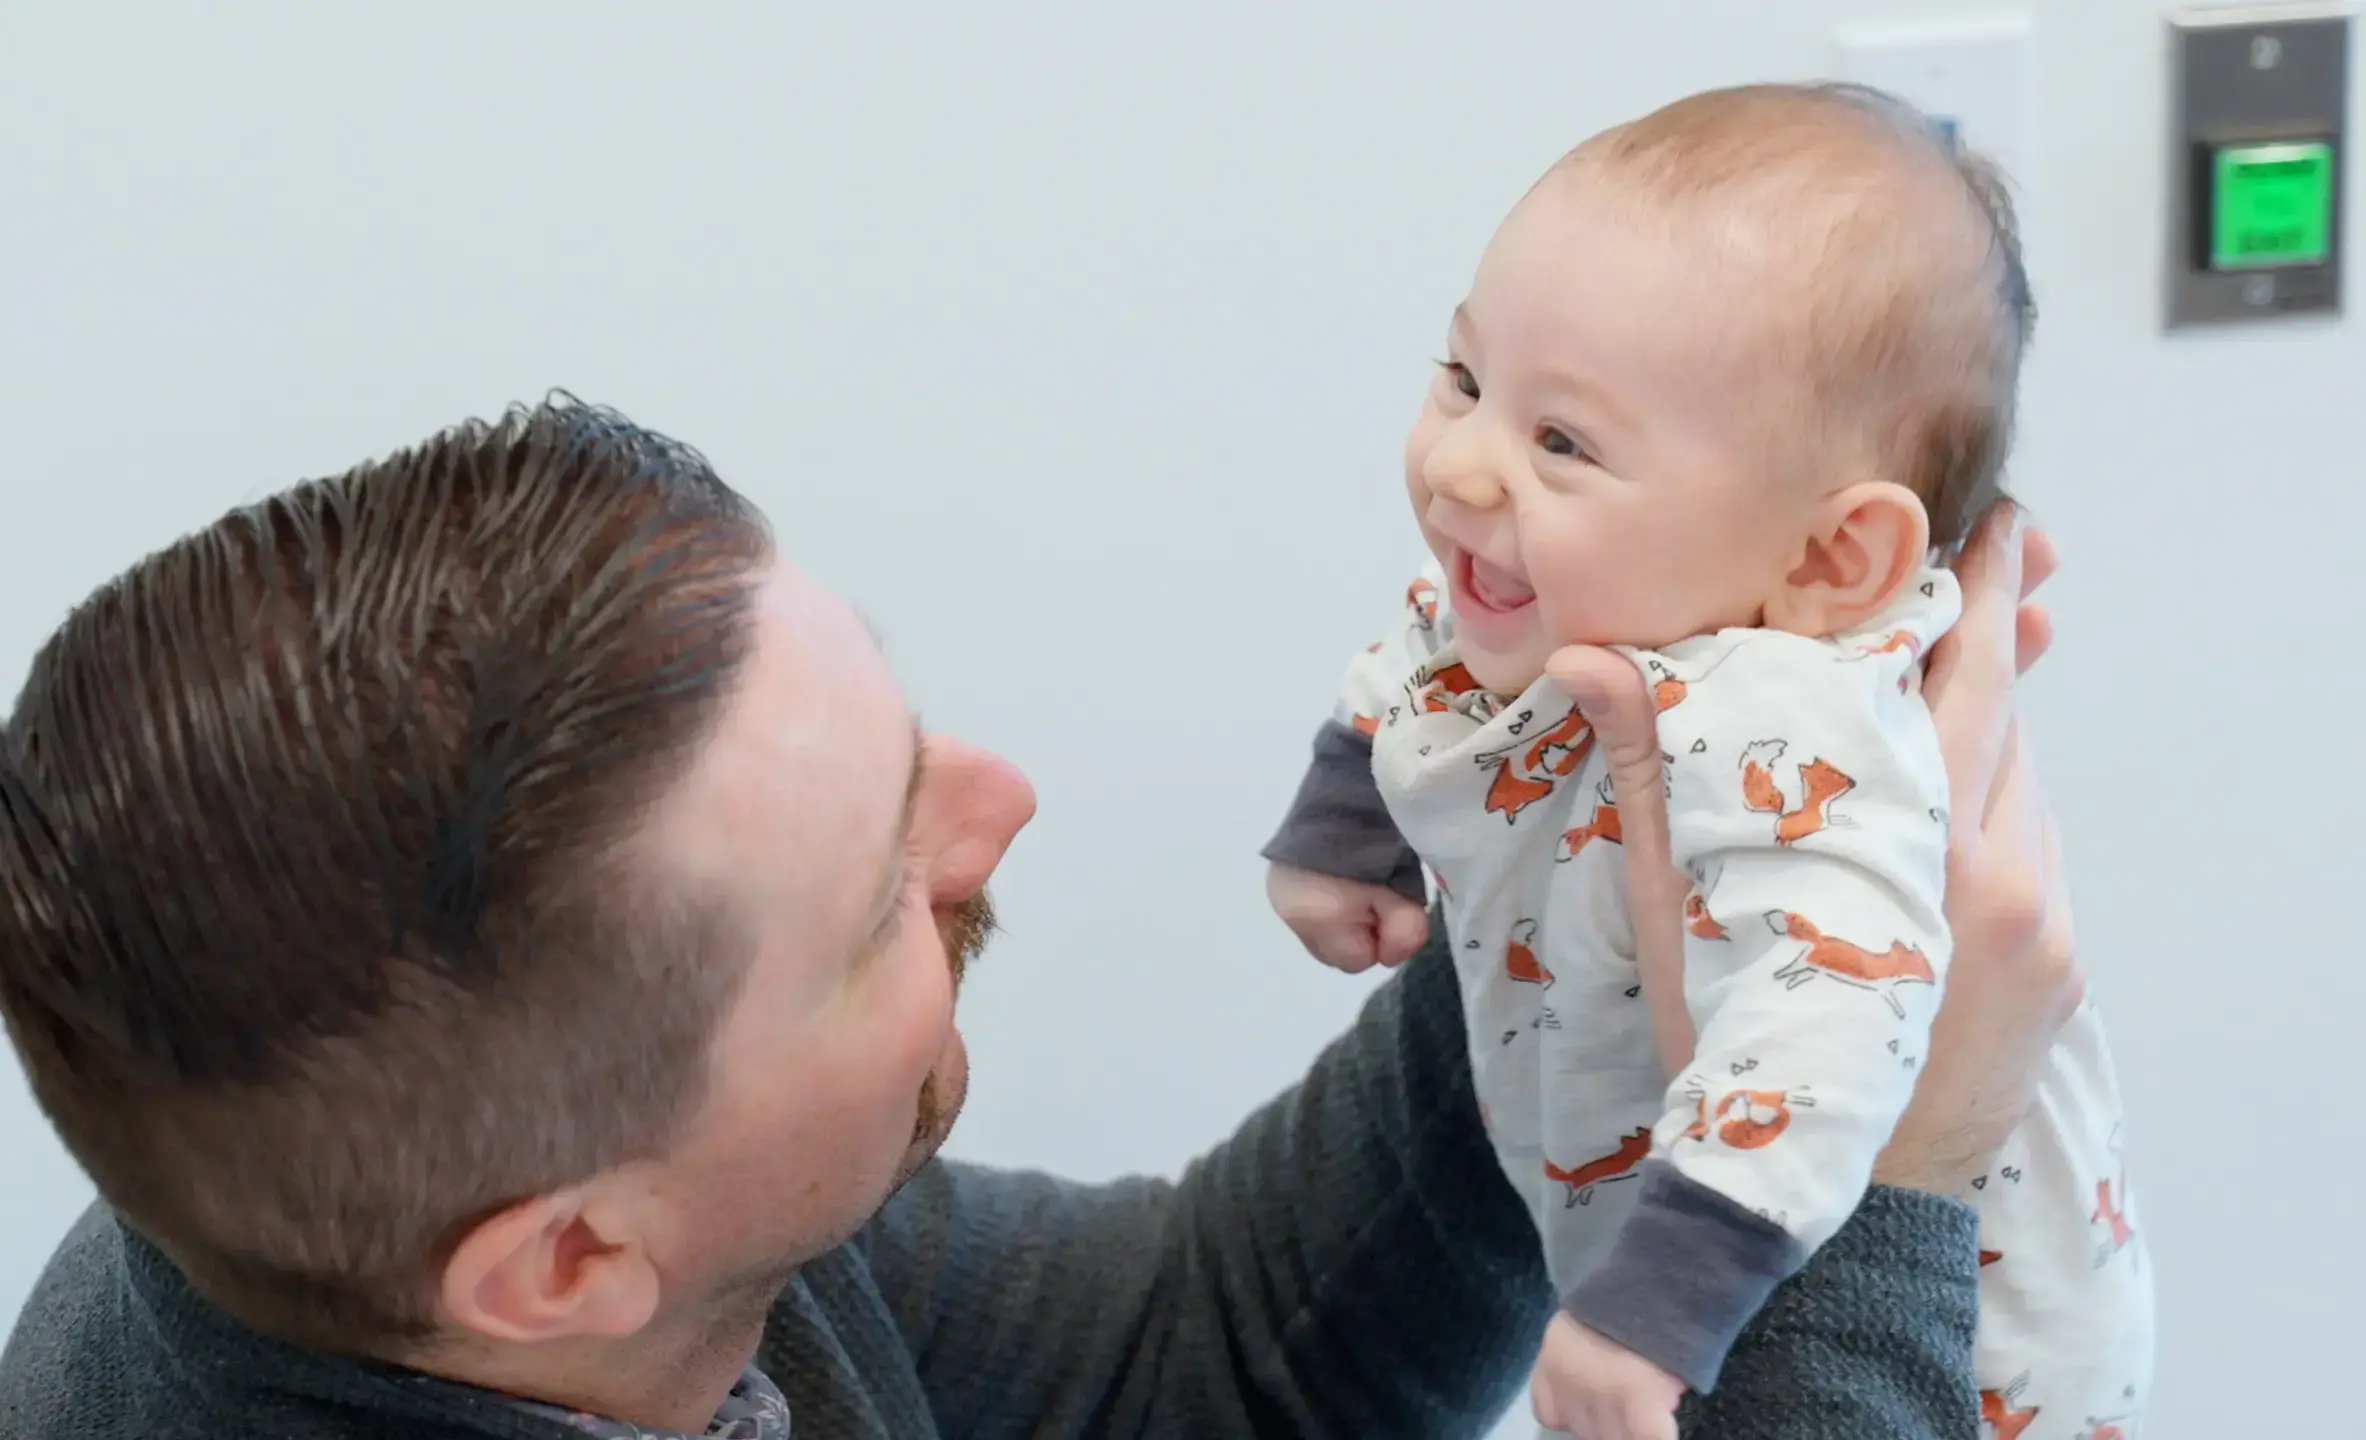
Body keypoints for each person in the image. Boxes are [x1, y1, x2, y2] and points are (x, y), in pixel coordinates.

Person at [0, 395, 2077, 1440]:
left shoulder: (383, 1213)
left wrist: (1583, 879)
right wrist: (1890, 1166)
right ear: (562, 1263)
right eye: (872, 892)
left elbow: (1217, 1361)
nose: (995, 817)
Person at [1261, 85, 2148, 1439]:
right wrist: (1346, 823)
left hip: (1943, 1354)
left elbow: (1823, 1031)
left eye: (1563, 440)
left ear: (1827, 560)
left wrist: (1654, 1305)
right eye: (1465, 379)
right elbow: (1431, 648)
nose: (1463, 467)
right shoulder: (1598, 599)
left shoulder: (1792, 716)